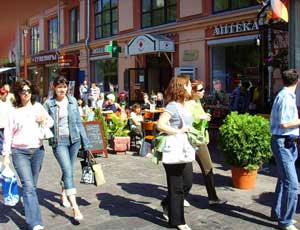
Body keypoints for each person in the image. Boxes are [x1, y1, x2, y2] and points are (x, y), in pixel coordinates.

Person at [2, 79, 54, 230]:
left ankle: (28, 206)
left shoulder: (38, 107)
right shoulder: (13, 112)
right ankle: (35, 222)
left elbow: (50, 122)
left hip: (38, 151)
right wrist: (6, 155)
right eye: (23, 91)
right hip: (20, 152)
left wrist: (44, 118)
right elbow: (8, 135)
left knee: (32, 186)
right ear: (18, 93)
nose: (26, 94)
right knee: (28, 186)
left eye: (29, 91)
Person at [44, 76, 91, 222]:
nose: (62, 89)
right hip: (59, 142)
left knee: (68, 169)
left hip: (74, 140)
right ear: (54, 88)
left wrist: (87, 143)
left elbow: (78, 122)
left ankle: (64, 192)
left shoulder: (72, 101)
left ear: (67, 88)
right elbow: (43, 122)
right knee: (68, 170)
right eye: (59, 87)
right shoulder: (48, 104)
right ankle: (75, 207)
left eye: (64, 87)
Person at [156, 75, 194, 230]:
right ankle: (178, 221)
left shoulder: (185, 105)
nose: (191, 87)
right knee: (176, 186)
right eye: (189, 85)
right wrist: (178, 131)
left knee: (188, 182)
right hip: (174, 148)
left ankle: (167, 204)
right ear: (182, 87)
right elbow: (160, 125)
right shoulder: (172, 106)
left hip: (184, 148)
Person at [186, 80, 227, 206]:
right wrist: (200, 117)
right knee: (186, 173)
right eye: (200, 90)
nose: (203, 91)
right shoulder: (188, 104)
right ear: (193, 92)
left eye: (203, 89)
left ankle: (212, 197)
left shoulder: (198, 101)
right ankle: (176, 198)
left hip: (200, 139)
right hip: (191, 140)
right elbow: (186, 121)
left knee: (208, 167)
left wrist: (205, 117)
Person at [270, 69, 300, 230]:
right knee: (292, 184)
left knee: (284, 179)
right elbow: (284, 124)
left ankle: (278, 213)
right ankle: (285, 221)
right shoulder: (286, 98)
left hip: (287, 142)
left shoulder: (285, 95)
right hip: (283, 142)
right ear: (298, 81)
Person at [0, 88, 13, 153]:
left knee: (7, 137)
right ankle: (3, 150)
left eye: (5, 94)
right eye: (2, 94)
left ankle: (5, 149)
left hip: (7, 123)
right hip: (1, 123)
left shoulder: (9, 102)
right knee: (2, 138)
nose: (3, 95)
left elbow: (12, 111)